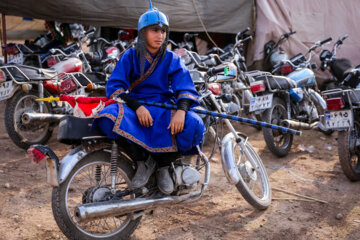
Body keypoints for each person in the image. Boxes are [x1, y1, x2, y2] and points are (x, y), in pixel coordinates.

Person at [93, 1, 205, 195]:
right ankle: (142, 162)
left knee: (194, 123)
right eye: (154, 30)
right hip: (136, 106)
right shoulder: (129, 56)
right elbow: (115, 88)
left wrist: (181, 110)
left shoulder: (172, 58)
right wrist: (137, 107)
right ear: (143, 32)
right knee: (108, 116)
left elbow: (184, 86)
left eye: (163, 31)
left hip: (164, 107)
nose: (160, 36)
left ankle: (163, 165)